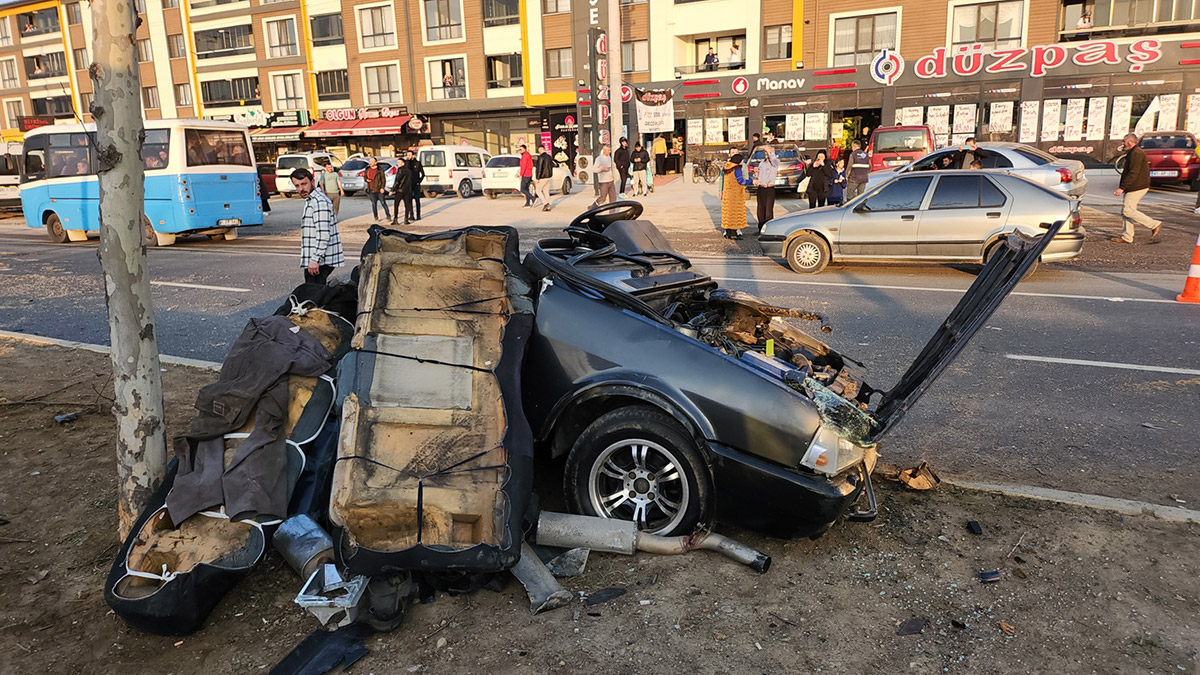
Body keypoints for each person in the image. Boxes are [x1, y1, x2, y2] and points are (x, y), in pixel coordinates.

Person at [292, 168, 344, 285]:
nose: (301, 189)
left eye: (304, 184)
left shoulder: (319, 202)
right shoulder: (311, 200)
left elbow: (324, 234)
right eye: (297, 186)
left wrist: (315, 259)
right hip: (316, 259)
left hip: (320, 261)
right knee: (316, 295)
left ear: (312, 182)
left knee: (314, 297)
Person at [1112, 133, 1162, 244]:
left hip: (1137, 186)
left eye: (1124, 141)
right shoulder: (1132, 152)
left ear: (1130, 142)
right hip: (1134, 186)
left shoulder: (1136, 153)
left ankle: (1154, 224)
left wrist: (1122, 188)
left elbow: (1133, 173)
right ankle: (1127, 237)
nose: (1122, 143)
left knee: (1128, 210)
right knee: (1126, 212)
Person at [720, 153, 753, 239]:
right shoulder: (737, 169)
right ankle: (734, 234)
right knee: (734, 213)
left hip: (727, 194)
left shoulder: (727, 168)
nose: (742, 162)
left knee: (728, 213)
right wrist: (751, 181)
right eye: (741, 160)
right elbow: (741, 181)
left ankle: (728, 233)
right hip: (735, 195)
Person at [754, 144, 779, 233]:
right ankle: (760, 228)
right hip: (761, 188)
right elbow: (758, 177)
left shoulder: (775, 162)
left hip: (769, 188)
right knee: (760, 209)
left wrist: (770, 152)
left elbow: (774, 161)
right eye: (765, 152)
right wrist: (756, 173)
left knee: (768, 210)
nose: (767, 154)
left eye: (769, 152)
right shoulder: (762, 163)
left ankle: (768, 229)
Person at [365, 157, 391, 222]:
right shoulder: (367, 169)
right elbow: (365, 177)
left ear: (375, 162)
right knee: (374, 204)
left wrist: (382, 187)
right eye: (370, 161)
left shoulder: (380, 170)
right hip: (371, 189)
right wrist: (366, 180)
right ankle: (376, 217)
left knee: (383, 203)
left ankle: (388, 216)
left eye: (372, 162)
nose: (370, 163)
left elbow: (383, 179)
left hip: (379, 189)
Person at [391, 158, 415, 225]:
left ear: (403, 163)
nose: (397, 164)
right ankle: (406, 219)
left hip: (400, 190)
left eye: (399, 162)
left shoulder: (400, 170)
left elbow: (397, 181)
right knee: (407, 205)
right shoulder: (409, 171)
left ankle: (395, 219)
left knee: (396, 205)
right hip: (408, 190)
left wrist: (393, 189)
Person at [533, 144, 555, 211]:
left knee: (538, 190)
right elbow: (552, 165)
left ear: (540, 149)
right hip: (549, 176)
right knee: (546, 191)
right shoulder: (549, 157)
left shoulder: (541, 157)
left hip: (543, 177)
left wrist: (537, 178)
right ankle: (548, 206)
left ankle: (545, 203)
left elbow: (539, 168)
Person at [405, 150, 425, 220]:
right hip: (409, 184)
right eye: (407, 155)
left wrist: (419, 181)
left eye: (409, 155)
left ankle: (418, 215)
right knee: (409, 200)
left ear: (413, 156)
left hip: (416, 184)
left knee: (417, 199)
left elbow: (423, 174)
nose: (408, 156)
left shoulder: (418, 163)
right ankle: (411, 215)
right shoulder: (406, 163)